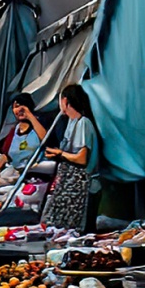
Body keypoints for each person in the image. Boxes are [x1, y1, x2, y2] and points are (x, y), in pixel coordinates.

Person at [39, 83, 101, 232]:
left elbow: (82, 159)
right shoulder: (71, 123)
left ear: (65, 101)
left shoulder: (83, 123)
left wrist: (60, 154)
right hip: (70, 184)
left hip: (83, 186)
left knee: (78, 230)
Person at [1, 98, 45, 170]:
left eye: (21, 107)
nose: (18, 110)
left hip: (33, 170)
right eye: (15, 107)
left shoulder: (38, 126)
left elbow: (45, 139)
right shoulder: (13, 131)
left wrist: (29, 115)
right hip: (13, 170)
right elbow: (5, 153)